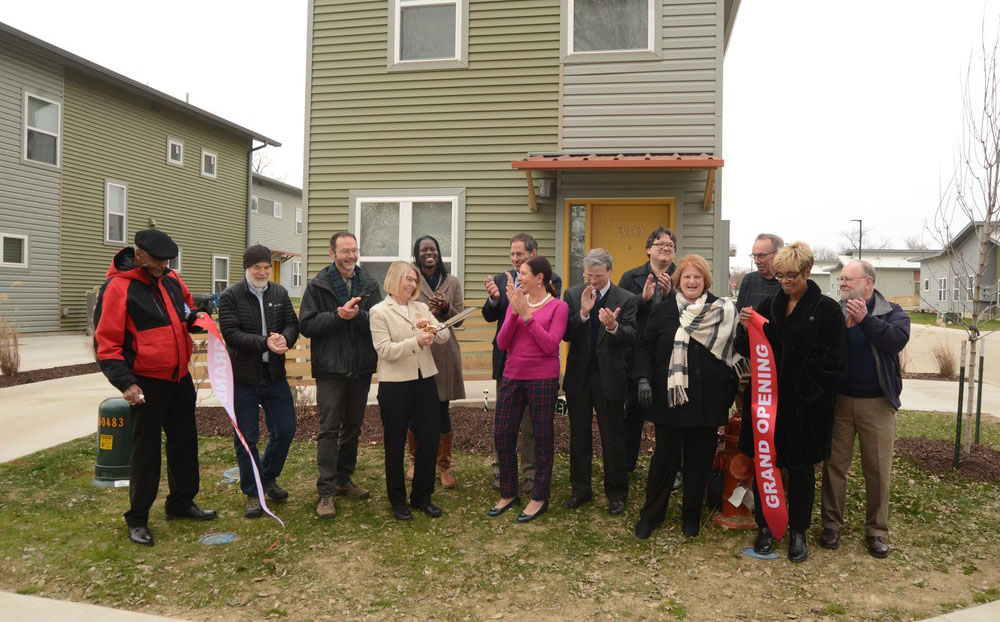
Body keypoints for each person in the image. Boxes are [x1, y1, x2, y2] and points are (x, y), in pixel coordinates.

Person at [93, 229, 216, 546]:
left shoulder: (171, 280)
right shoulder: (118, 288)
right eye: (159, 261)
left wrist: (199, 316)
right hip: (145, 382)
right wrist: (125, 383)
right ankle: (137, 518)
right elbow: (107, 344)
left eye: (167, 261)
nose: (165, 265)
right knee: (145, 451)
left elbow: (186, 312)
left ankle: (181, 503)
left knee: (184, 442)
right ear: (140, 255)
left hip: (178, 377)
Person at [737, 242, 845, 562]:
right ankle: (766, 527)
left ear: (808, 271)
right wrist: (746, 328)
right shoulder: (769, 306)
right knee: (765, 467)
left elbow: (834, 363)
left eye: (791, 276)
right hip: (766, 406)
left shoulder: (827, 310)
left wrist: (805, 393)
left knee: (799, 471)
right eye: (780, 276)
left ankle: (798, 532)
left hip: (805, 409)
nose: (784, 281)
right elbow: (749, 350)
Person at [633, 255, 740, 539]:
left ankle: (691, 516)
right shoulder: (663, 311)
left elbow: (734, 351)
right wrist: (643, 379)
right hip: (669, 398)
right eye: (686, 277)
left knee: (699, 461)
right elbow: (644, 346)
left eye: (697, 277)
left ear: (706, 280)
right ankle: (651, 515)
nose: (692, 281)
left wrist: (728, 390)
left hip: (707, 400)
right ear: (678, 280)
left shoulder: (724, 310)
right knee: (663, 460)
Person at [821, 260, 910, 558]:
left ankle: (876, 531)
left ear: (868, 282)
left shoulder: (892, 312)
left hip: (878, 405)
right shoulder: (835, 312)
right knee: (835, 467)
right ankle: (832, 525)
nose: (843, 283)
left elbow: (896, 340)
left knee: (878, 470)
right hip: (840, 403)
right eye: (842, 279)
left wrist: (865, 322)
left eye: (849, 279)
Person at [299, 231, 383, 519]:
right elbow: (306, 325)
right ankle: (325, 492)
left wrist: (356, 315)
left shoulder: (369, 285)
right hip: (330, 369)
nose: (351, 256)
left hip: (360, 367)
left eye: (354, 250)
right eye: (345, 251)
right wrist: (337, 316)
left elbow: (378, 322)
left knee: (354, 426)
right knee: (329, 428)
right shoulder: (317, 286)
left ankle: (343, 479)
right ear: (331, 253)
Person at [218, 245, 299, 519]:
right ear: (247, 269)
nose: (263, 272)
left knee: (286, 428)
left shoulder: (279, 293)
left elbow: (292, 323)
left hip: (273, 374)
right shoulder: (231, 295)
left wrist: (285, 339)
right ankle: (253, 491)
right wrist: (264, 342)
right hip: (243, 377)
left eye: (266, 267)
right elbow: (231, 334)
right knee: (246, 437)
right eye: (257, 268)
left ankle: (268, 476)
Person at [489, 256, 569, 522]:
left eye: (523, 273)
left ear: (540, 278)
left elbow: (550, 345)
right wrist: (514, 311)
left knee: (542, 437)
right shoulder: (516, 304)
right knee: (502, 433)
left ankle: (538, 496)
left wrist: (526, 316)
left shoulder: (559, 307)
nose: (519, 277)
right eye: (519, 273)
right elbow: (501, 343)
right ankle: (509, 491)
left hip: (542, 379)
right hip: (512, 375)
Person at [369, 261, 451, 520]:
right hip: (395, 385)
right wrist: (415, 341)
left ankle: (422, 497)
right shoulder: (379, 311)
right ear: (394, 279)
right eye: (408, 279)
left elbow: (444, 336)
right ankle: (397, 500)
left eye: (415, 280)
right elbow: (385, 350)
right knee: (395, 442)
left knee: (428, 439)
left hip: (425, 380)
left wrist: (434, 328)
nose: (412, 284)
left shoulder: (421, 307)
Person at [562, 248, 638, 514]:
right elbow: (566, 334)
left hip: (611, 378)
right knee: (579, 436)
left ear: (609, 271)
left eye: (597, 276)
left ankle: (617, 493)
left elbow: (631, 336)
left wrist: (613, 327)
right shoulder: (573, 295)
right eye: (588, 275)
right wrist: (583, 314)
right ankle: (580, 490)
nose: (592, 281)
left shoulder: (626, 299)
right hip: (579, 378)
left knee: (613, 437)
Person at [617, 227, 677, 472]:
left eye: (670, 245)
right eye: (660, 243)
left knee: (672, 416)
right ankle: (626, 465)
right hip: (635, 357)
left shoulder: (684, 275)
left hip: (672, 358)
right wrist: (642, 300)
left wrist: (671, 295)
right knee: (632, 413)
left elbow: (691, 312)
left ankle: (671, 469)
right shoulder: (631, 277)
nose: (665, 247)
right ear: (648, 249)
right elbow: (619, 313)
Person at [409, 235, 466, 488]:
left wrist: (444, 309)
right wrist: (427, 313)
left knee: (442, 409)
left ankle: (444, 467)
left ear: (439, 253)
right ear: (417, 254)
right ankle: (414, 460)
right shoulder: (411, 280)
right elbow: (405, 313)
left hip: (444, 351)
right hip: (418, 350)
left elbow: (460, 319)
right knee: (416, 407)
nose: (428, 253)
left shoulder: (451, 281)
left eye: (433, 249)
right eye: (424, 250)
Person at [735, 233, 784, 314]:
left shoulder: (788, 282)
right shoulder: (749, 280)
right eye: (754, 256)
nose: (756, 261)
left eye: (761, 256)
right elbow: (738, 316)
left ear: (778, 254)